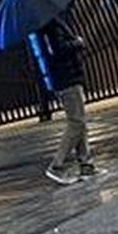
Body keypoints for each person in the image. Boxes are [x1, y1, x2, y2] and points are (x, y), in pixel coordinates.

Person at [27, 17, 95, 184]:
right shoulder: (50, 25)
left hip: (64, 78)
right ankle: (57, 165)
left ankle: (86, 164)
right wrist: (77, 42)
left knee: (80, 122)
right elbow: (59, 51)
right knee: (76, 122)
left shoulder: (41, 26)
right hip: (67, 78)